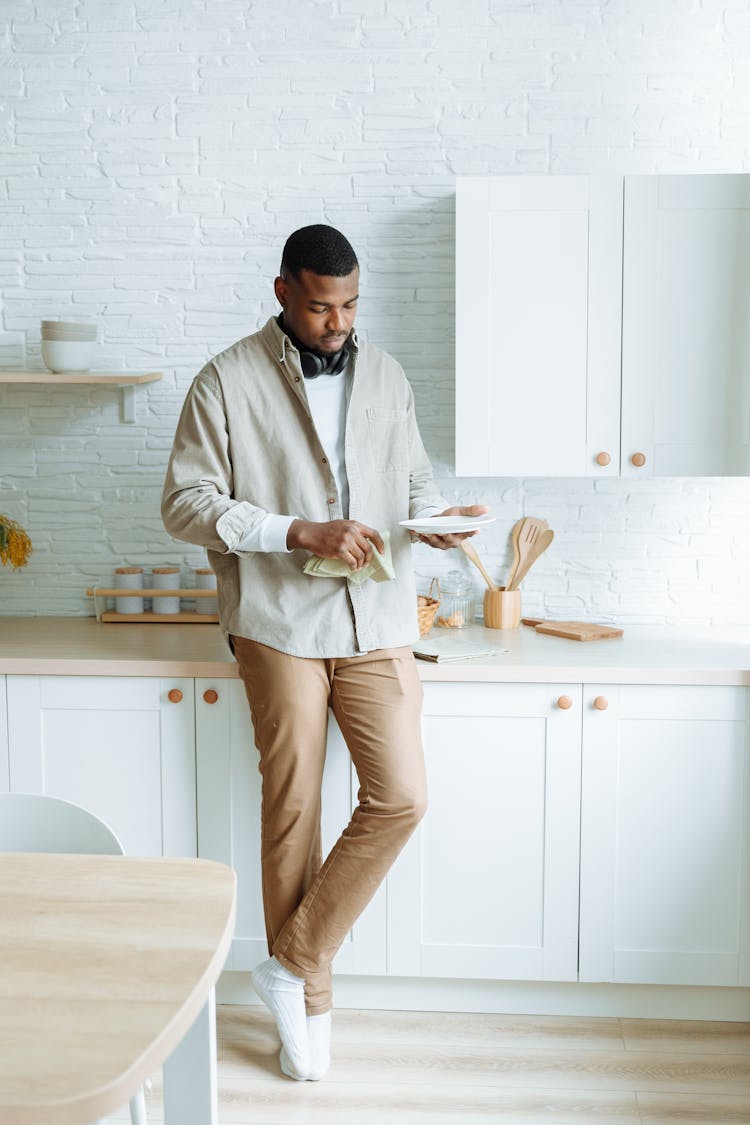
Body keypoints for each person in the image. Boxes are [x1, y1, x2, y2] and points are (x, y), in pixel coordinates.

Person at [161, 224, 488, 1081]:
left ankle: (289, 962)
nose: (338, 322)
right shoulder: (225, 379)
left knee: (404, 797)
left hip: (379, 618)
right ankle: (307, 1011)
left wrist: (440, 524)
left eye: (349, 305)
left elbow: (412, 481)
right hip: (277, 620)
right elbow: (186, 502)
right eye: (320, 305)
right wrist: (297, 529)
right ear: (281, 292)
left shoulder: (385, 373)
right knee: (294, 806)